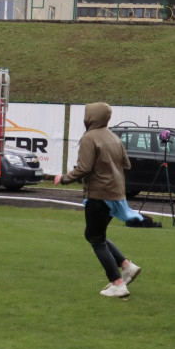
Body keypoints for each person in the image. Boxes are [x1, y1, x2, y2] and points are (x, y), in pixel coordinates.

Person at [53, 102, 143, 298]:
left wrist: (64, 178)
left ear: (91, 117)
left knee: (96, 239)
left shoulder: (90, 137)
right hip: (117, 193)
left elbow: (83, 168)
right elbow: (126, 164)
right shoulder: (113, 137)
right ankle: (126, 266)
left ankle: (118, 283)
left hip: (99, 194)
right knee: (95, 235)